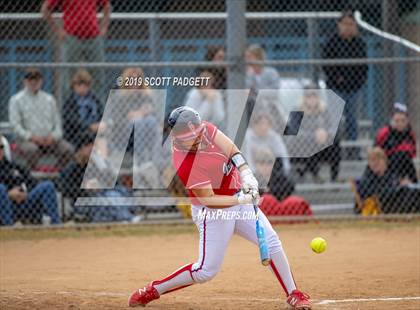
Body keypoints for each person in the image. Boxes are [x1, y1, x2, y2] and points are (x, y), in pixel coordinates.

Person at [128, 107, 312, 309]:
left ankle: (293, 293)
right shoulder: (184, 161)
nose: (197, 139)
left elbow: (232, 150)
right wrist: (241, 201)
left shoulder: (205, 128)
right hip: (214, 212)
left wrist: (246, 174)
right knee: (205, 271)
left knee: (271, 241)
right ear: (177, 136)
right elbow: (209, 199)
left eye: (197, 134)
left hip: (236, 196)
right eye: (191, 138)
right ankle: (154, 289)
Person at [41, 0, 111, 102]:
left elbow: (107, 6)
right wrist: (58, 30)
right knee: (68, 77)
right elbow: (45, 9)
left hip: (93, 37)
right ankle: (68, 112)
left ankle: (98, 111)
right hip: (71, 37)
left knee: (98, 76)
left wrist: (104, 26)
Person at [8, 68, 73, 170]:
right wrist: (31, 137)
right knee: (31, 150)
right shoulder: (16, 100)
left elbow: (58, 124)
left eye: (36, 79)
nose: (33, 82)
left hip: (49, 139)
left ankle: (57, 174)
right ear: (24, 81)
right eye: (30, 79)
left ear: (41, 81)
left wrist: (53, 137)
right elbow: (15, 125)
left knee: (67, 149)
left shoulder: (49, 99)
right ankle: (33, 177)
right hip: (27, 140)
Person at [322, 10, 368, 141]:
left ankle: (352, 150)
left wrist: (357, 81)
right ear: (339, 25)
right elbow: (326, 64)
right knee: (334, 119)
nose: (348, 27)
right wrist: (337, 77)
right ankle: (334, 148)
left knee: (352, 118)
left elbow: (363, 67)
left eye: (351, 24)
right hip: (335, 87)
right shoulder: (332, 41)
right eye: (345, 24)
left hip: (353, 88)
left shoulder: (359, 43)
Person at [0, 135, 61, 226]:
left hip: (24, 203)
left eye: (1, 147)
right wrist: (8, 194)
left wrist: (24, 193)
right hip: (6, 206)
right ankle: (8, 228)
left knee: (48, 186)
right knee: (1, 188)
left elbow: (32, 183)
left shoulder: (13, 166)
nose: (0, 151)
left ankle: (56, 225)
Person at [292, 87, 341, 182]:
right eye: (309, 96)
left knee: (336, 142)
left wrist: (326, 134)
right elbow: (294, 132)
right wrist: (313, 135)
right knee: (310, 144)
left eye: (314, 95)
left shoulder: (324, 110)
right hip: (303, 147)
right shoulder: (297, 111)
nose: (312, 98)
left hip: (323, 146)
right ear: (304, 98)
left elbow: (333, 128)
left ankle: (334, 177)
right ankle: (315, 174)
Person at [357, 147, 419, 214]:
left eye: (378, 159)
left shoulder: (391, 174)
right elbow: (370, 192)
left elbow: (395, 186)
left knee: (411, 191)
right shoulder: (368, 176)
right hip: (379, 205)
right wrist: (398, 187)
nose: (375, 162)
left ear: (384, 160)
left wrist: (403, 184)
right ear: (369, 163)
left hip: (394, 202)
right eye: (372, 160)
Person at [63, 69, 105, 148]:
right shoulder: (70, 101)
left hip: (95, 131)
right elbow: (71, 120)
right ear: (74, 86)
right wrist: (89, 126)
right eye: (79, 85)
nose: (82, 88)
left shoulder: (94, 99)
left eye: (85, 85)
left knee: (103, 136)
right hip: (76, 134)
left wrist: (101, 124)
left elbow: (101, 114)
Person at [375, 103, 417, 183]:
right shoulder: (385, 132)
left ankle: (413, 185)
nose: (400, 123)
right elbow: (376, 150)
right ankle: (397, 182)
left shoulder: (410, 134)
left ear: (407, 121)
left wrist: (401, 149)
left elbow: (413, 153)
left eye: (403, 120)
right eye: (397, 121)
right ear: (392, 121)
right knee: (398, 156)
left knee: (405, 157)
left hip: (404, 164)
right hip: (387, 162)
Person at [242, 111, 290, 176]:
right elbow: (248, 158)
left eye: (267, 124)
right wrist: (254, 175)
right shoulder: (247, 137)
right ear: (254, 125)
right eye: (261, 124)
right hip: (253, 172)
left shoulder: (274, 137)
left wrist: (285, 171)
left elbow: (283, 155)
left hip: (271, 171)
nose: (264, 127)